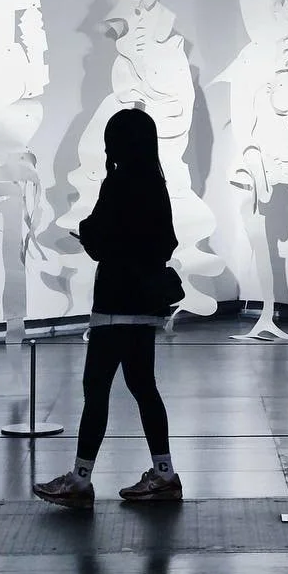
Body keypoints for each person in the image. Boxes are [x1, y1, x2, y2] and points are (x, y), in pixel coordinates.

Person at [34, 108, 183, 509]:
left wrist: (86, 231)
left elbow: (99, 241)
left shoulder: (117, 183)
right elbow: (166, 241)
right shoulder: (156, 183)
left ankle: (80, 480)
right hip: (144, 306)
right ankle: (164, 474)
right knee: (144, 387)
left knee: (96, 391)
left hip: (114, 302)